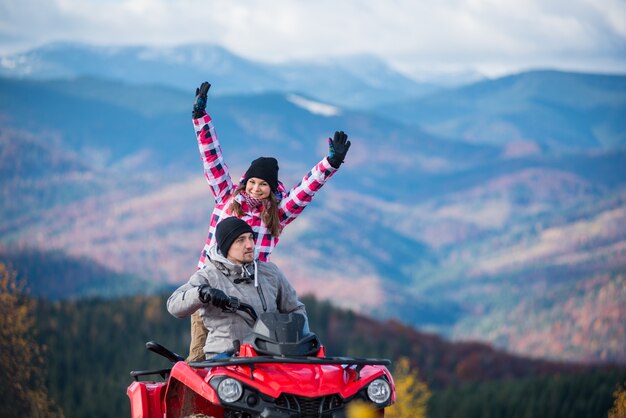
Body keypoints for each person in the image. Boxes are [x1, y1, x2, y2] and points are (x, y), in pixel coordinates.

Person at [185, 81, 351, 360]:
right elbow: (211, 157)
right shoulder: (227, 197)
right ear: (245, 181)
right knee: (201, 359)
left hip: (251, 296)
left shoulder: (277, 213)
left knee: (253, 362)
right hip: (213, 290)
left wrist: (330, 164)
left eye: (263, 184)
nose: (255, 188)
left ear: (272, 189)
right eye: (252, 181)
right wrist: (200, 117)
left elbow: (305, 190)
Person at [167, 217, 307, 359]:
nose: (249, 245)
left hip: (270, 357)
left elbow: (295, 309)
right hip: (225, 361)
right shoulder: (208, 276)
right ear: (226, 246)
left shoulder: (270, 272)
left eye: (251, 238)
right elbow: (173, 305)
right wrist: (202, 293)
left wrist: (298, 343)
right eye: (241, 240)